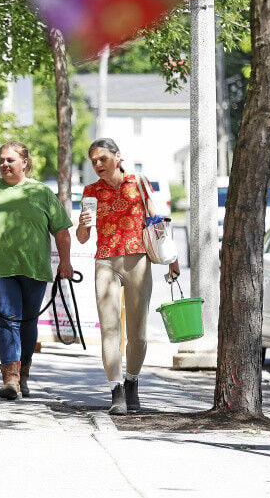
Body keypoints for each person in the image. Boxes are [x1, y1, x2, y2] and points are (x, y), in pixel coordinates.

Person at [0, 141, 74, 400]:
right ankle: (9, 379)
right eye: (2, 160)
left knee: (28, 322)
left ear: (25, 162)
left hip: (34, 268)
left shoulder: (41, 192)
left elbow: (61, 231)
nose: (4, 164)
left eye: (10, 160)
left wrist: (65, 263)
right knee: (7, 318)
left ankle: (23, 372)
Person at [76, 138, 180, 415]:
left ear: (117, 157)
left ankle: (132, 381)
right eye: (94, 161)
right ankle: (116, 390)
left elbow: (155, 220)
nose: (98, 164)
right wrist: (83, 227)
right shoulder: (90, 191)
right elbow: (83, 238)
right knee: (109, 329)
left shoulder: (138, 182)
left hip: (138, 261)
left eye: (103, 159)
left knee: (138, 332)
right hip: (105, 262)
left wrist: (173, 259)